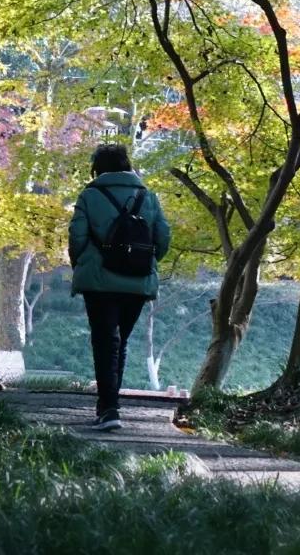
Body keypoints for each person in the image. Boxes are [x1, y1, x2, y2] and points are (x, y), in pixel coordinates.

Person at [68, 143, 171, 431]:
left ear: (97, 168)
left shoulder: (90, 195)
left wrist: (82, 263)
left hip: (99, 280)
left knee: (104, 341)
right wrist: (142, 260)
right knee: (119, 342)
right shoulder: (147, 196)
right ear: (127, 165)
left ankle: (109, 409)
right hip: (136, 280)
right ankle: (111, 407)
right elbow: (162, 236)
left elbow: (77, 236)